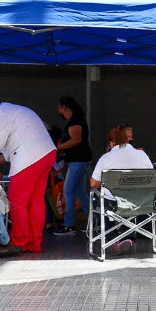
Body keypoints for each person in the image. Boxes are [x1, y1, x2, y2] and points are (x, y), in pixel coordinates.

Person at [0, 93, 57, 253]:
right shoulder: (11, 111)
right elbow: (13, 141)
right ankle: (34, 243)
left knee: (17, 200)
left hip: (30, 159)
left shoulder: (0, 115)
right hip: (47, 155)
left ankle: (18, 242)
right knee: (35, 201)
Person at [88, 126, 155, 256]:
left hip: (114, 204)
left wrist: (108, 183)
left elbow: (93, 183)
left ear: (111, 143)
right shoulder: (141, 154)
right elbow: (151, 178)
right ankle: (129, 238)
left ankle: (113, 239)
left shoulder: (106, 158)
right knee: (128, 204)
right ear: (127, 140)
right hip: (140, 203)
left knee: (104, 203)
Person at [53, 95, 93, 237]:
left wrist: (58, 148)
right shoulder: (75, 119)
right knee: (80, 192)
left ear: (64, 107)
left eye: (59, 107)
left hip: (78, 160)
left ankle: (68, 225)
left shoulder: (75, 120)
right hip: (80, 160)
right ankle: (94, 223)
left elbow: (76, 140)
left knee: (68, 191)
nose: (59, 111)